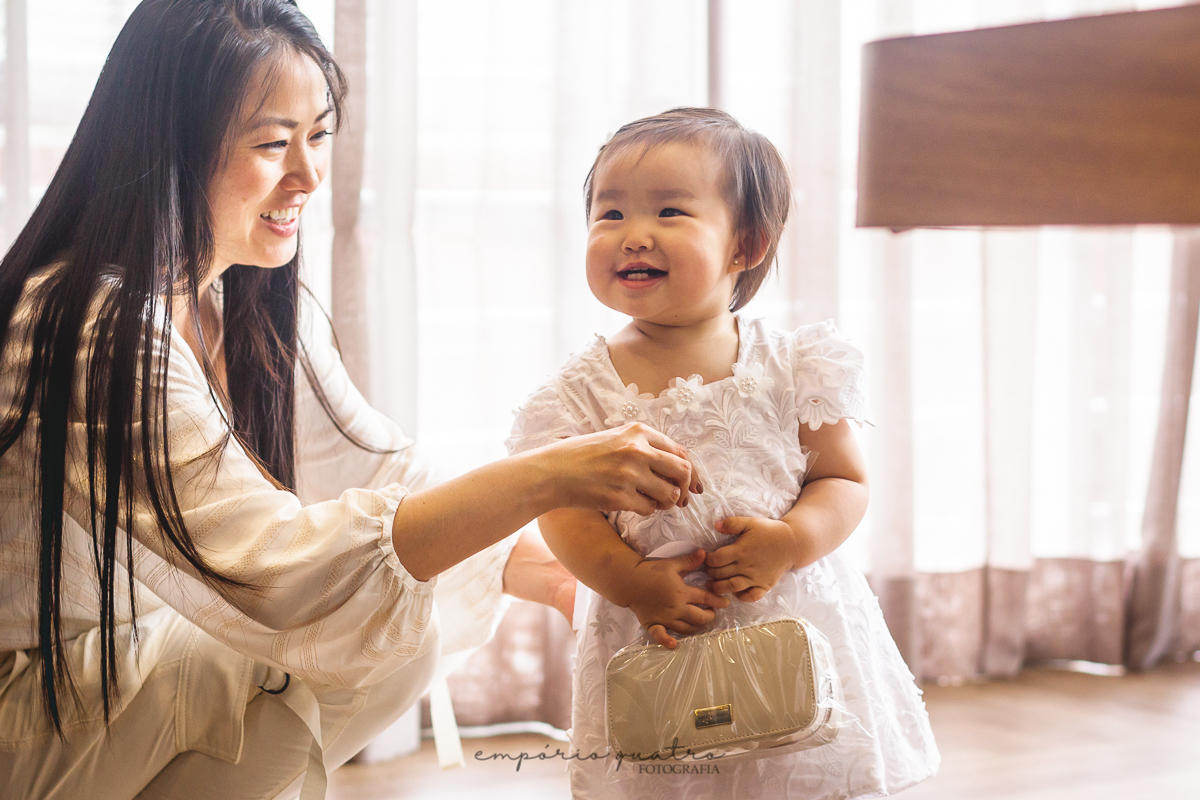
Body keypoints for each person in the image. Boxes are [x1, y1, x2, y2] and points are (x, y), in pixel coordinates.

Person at [0, 3, 704, 799]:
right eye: (273, 144)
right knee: (345, 647)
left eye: (319, 135)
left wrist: (562, 576)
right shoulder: (91, 327)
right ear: (168, 147)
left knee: (383, 624)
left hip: (112, 671)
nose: (308, 175)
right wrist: (550, 476)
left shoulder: (238, 304)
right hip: (28, 706)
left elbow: (379, 468)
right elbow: (279, 571)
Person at [506, 108, 941, 798]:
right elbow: (562, 513)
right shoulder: (577, 393)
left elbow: (844, 479)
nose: (633, 234)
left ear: (746, 245)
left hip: (792, 619)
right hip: (659, 630)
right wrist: (630, 581)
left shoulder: (795, 364)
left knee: (805, 773)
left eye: (669, 211)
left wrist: (791, 541)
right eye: (610, 213)